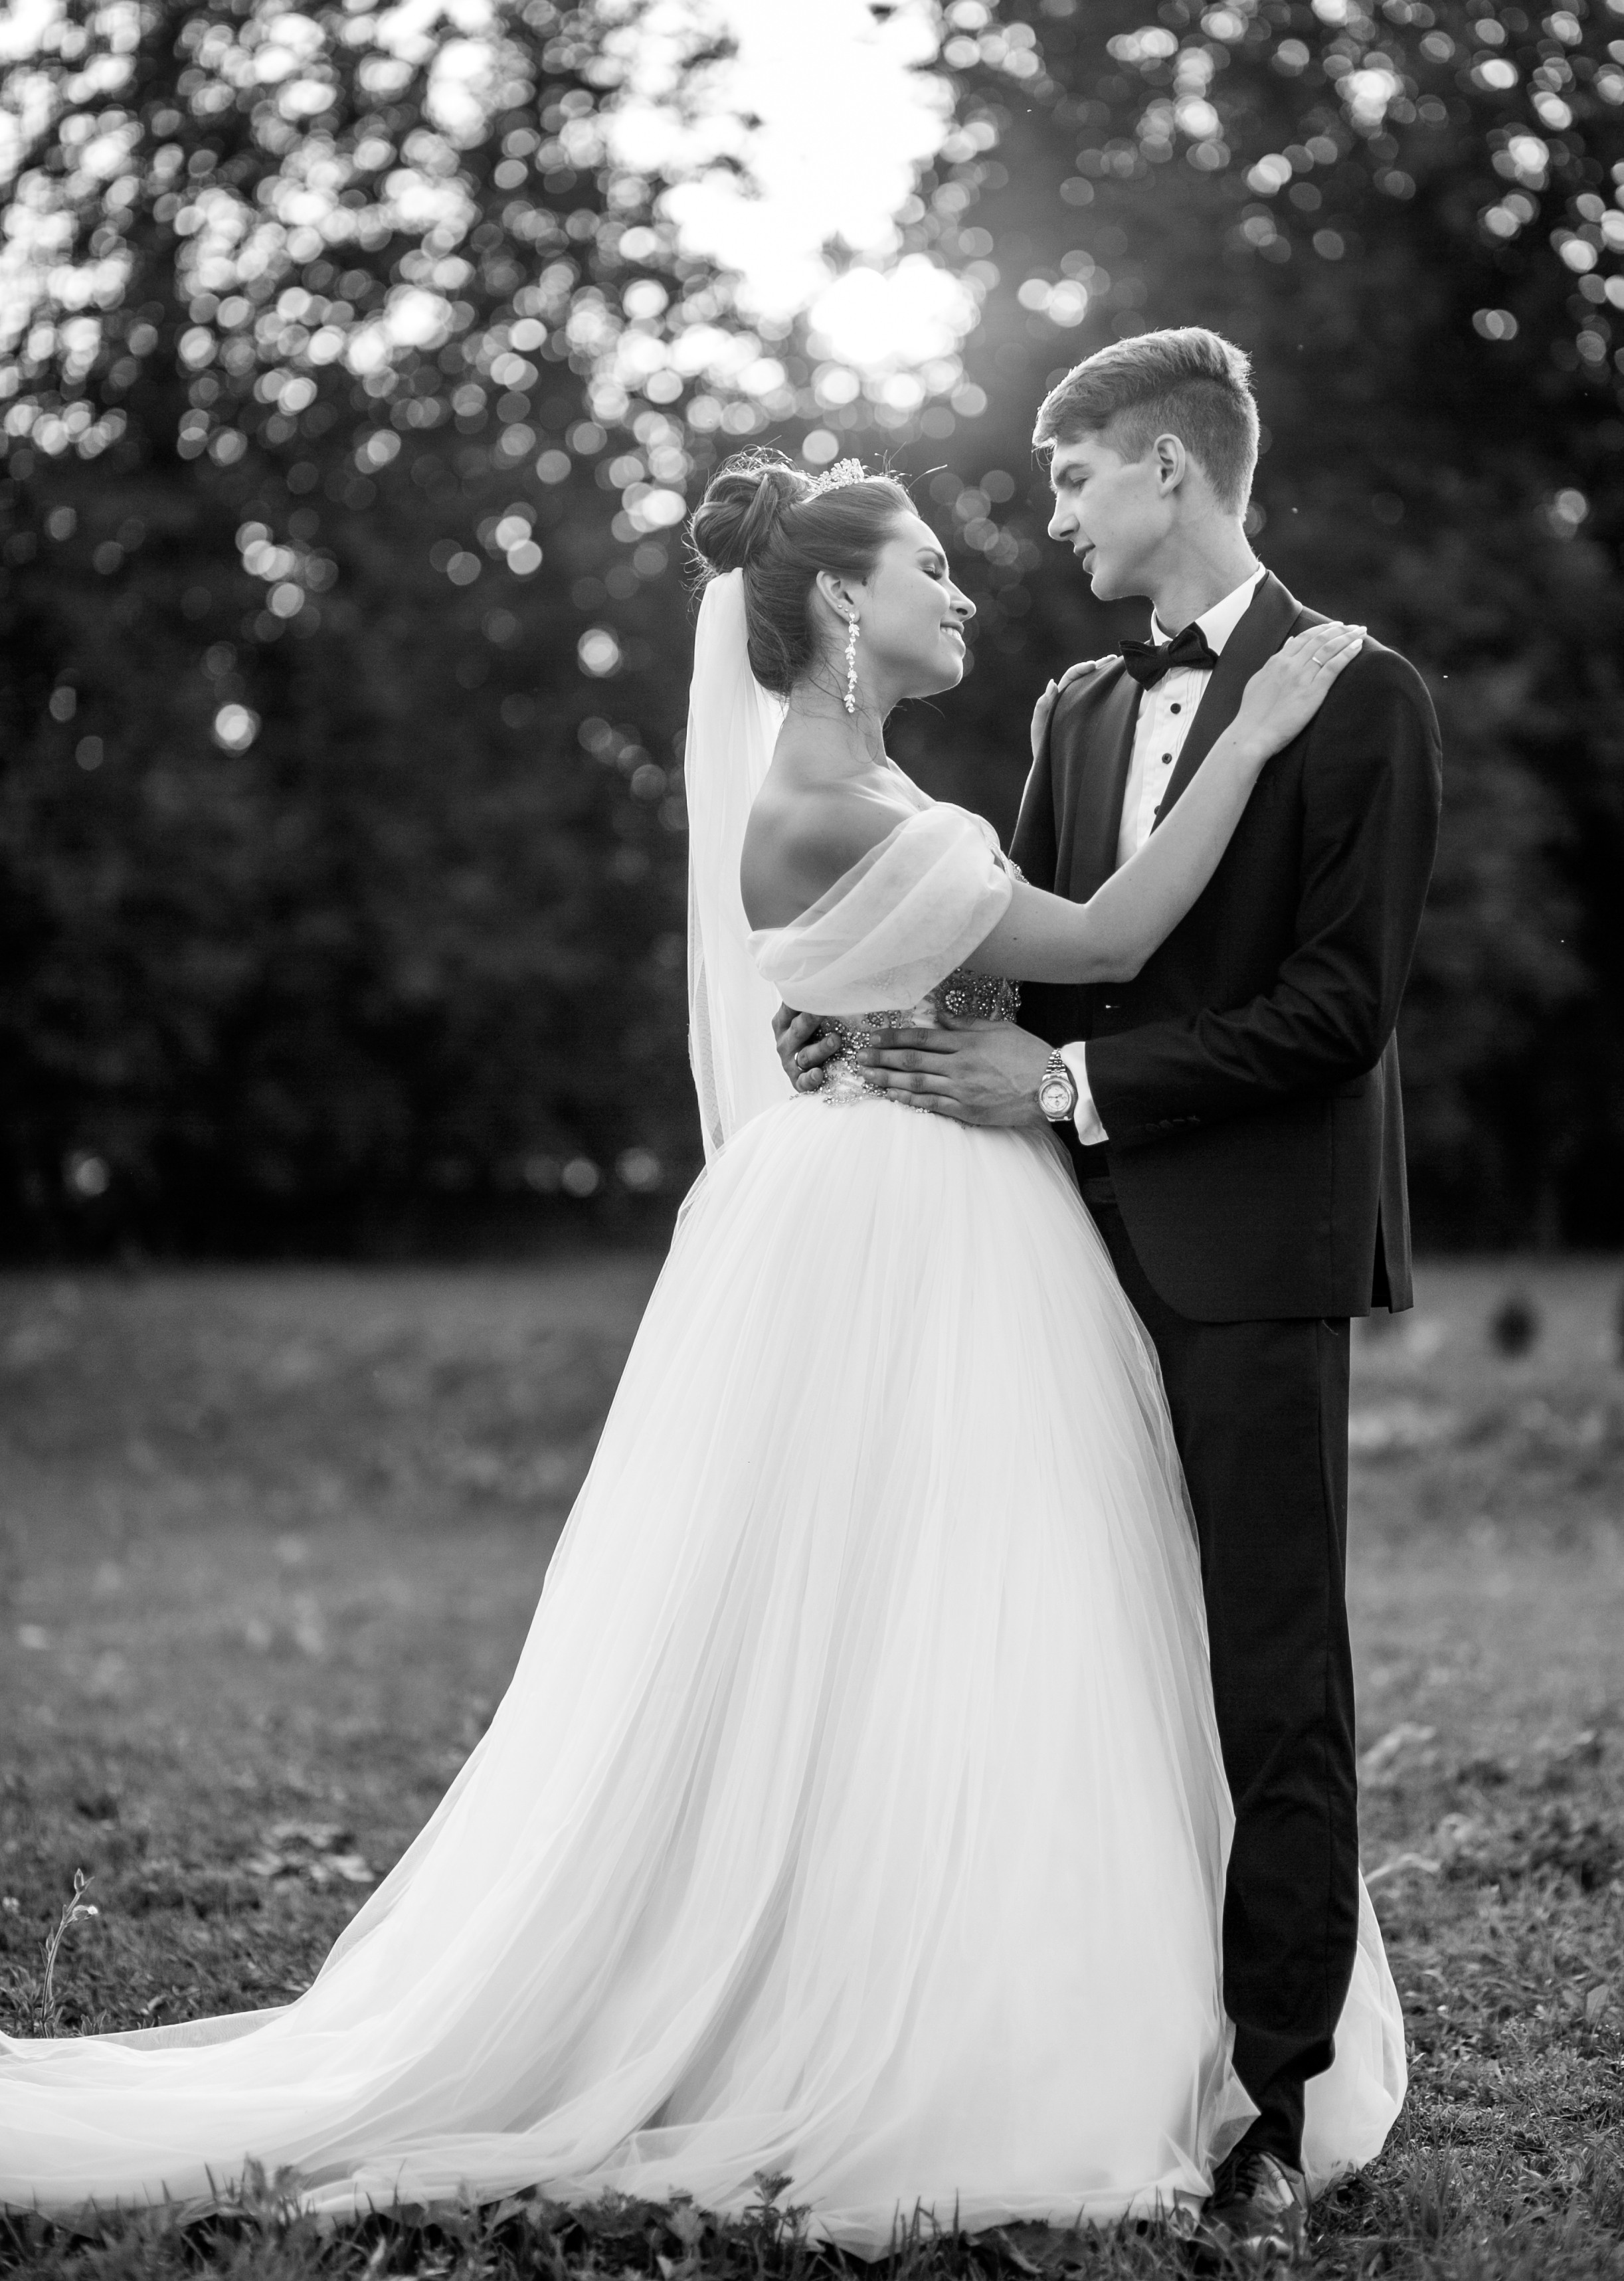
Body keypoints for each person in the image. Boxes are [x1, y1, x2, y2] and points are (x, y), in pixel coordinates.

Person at [0, 451, 1404, 2254]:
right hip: (909, 1228)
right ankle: (904, 2009)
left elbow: (1012, 977)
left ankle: (1001, 1969)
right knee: (925, 1619)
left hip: (953, 1197)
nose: (963, 586)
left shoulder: (872, 777)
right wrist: (1263, 731)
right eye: (923, 565)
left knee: (968, 1619)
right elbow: (1115, 933)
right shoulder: (828, 797)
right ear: (836, 602)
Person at [779, 329, 1441, 2262]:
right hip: (1060, 1260)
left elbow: (1343, 1010)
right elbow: (1056, 961)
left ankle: (1283, 2106)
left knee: (1268, 1668)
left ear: (1168, 469)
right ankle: (1093, 2046)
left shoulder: (1362, 695)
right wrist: (884, 1026)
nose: (1053, 515)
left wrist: (1070, 1083)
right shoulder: (1073, 703)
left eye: (1073, 478)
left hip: (1255, 1255)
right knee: (1086, 1661)